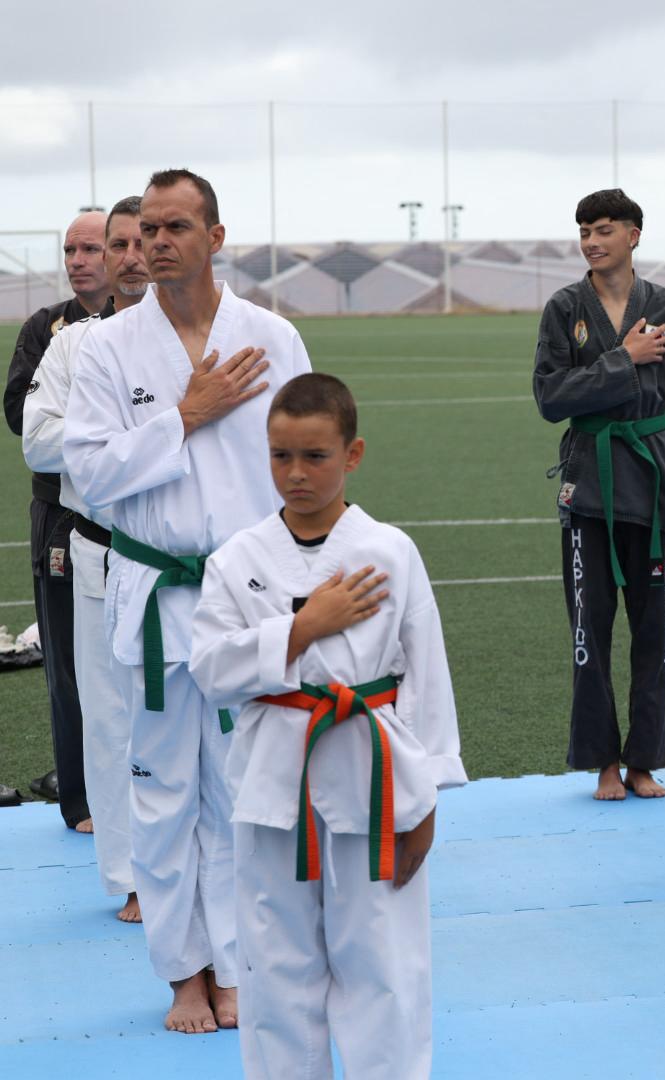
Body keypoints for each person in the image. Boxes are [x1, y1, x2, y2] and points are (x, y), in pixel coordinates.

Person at [64, 168, 311, 1034]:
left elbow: (303, 466)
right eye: (147, 230)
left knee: (246, 788)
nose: (157, 243)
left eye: (176, 227)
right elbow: (88, 476)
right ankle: (182, 972)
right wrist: (186, 414)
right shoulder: (106, 348)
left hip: (248, 594)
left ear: (216, 235)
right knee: (165, 790)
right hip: (157, 595)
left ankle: (239, 963)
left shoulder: (273, 338)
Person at [191, 372, 466, 1080]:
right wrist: (302, 628)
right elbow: (211, 670)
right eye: (281, 456)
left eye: (315, 456)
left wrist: (427, 796)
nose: (296, 473)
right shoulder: (237, 558)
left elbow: (425, 677)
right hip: (272, 784)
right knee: (275, 968)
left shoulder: (390, 551)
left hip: (374, 780)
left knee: (384, 967)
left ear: (353, 455)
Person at [533, 188, 665, 801]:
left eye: (604, 229)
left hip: (654, 484)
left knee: (654, 633)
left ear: (633, 235)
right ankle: (603, 761)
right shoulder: (564, 307)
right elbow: (550, 398)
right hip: (590, 487)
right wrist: (622, 360)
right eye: (584, 232)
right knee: (590, 630)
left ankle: (645, 762)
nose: (592, 241)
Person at [22, 195, 150, 922]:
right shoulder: (73, 344)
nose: (131, 256)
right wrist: (136, 435)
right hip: (101, 549)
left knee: (198, 719)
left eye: (143, 240)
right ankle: (133, 875)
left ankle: (209, 859)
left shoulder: (206, 338)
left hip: (189, 557)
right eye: (120, 244)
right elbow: (37, 441)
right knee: (108, 724)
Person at [6, 209, 112, 822]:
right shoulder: (46, 328)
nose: (78, 260)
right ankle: (78, 798)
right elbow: (23, 415)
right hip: (58, 512)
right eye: (70, 249)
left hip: (124, 514)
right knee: (67, 663)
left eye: (90, 248)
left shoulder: (143, 326)